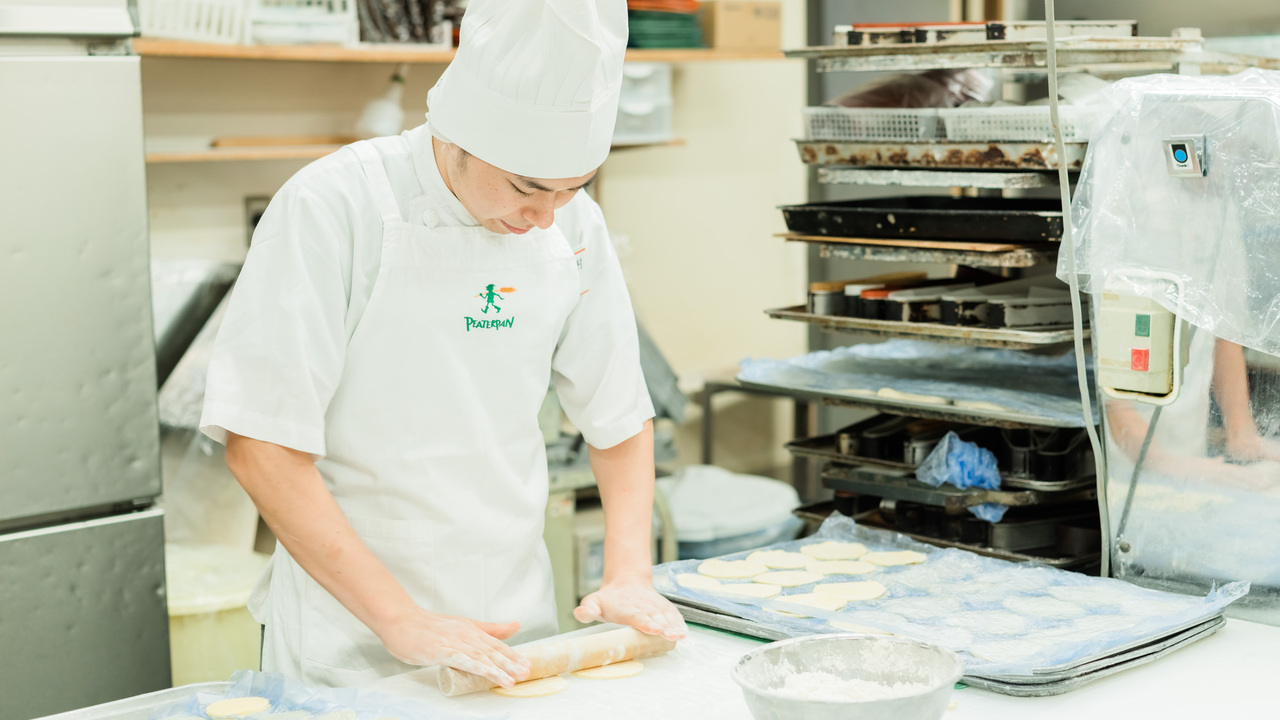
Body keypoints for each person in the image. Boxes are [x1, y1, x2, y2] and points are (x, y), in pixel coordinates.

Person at [199, 0, 687, 689]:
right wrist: (399, 618)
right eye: (527, 187)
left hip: (515, 635)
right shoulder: (334, 206)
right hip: (350, 644)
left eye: (572, 188)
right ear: (456, 134)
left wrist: (629, 574)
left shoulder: (571, 222)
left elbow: (618, 414)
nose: (544, 216)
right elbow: (261, 448)